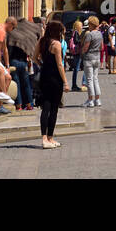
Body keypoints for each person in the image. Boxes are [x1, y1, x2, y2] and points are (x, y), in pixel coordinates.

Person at [36, 20, 69, 148]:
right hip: (55, 78)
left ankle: (44, 138)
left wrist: (42, 66)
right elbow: (60, 64)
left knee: (45, 107)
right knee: (54, 108)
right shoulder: (57, 44)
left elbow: (34, 57)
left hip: (44, 76)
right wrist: (65, 82)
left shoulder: (42, 41)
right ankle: (50, 137)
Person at [7, 16, 40, 111]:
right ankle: (29, 104)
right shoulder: (27, 33)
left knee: (17, 84)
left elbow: (9, 50)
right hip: (24, 62)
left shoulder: (11, 34)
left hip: (14, 61)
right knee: (26, 84)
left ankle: (19, 105)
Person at [80, 16, 104, 107]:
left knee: (89, 80)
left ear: (90, 24)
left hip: (89, 58)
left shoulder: (89, 34)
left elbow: (86, 47)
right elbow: (101, 47)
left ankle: (90, 100)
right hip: (97, 57)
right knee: (95, 79)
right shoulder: (99, 34)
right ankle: (97, 100)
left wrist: (82, 52)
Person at [68, 19, 83, 92]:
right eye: (81, 25)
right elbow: (76, 41)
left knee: (76, 69)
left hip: (75, 52)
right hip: (77, 52)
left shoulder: (74, 32)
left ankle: (74, 85)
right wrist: (82, 41)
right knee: (76, 69)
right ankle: (74, 85)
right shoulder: (76, 32)